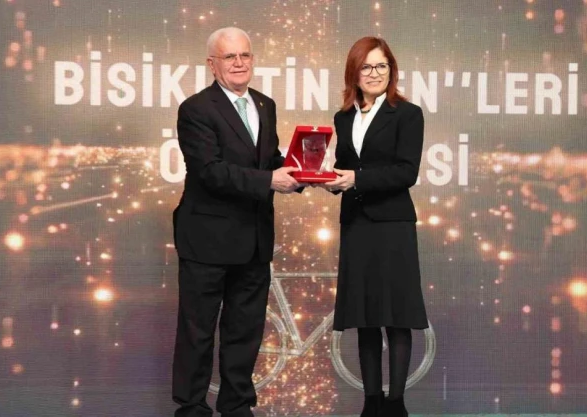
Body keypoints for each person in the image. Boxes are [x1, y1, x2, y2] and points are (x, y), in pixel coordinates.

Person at [171, 27, 300, 417]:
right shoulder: (196, 109)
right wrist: (270, 180)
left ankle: (237, 405)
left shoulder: (265, 104)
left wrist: (304, 173)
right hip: (206, 240)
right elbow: (210, 171)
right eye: (230, 57)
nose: (240, 63)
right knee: (198, 331)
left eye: (245, 55)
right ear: (212, 64)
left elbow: (268, 160)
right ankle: (192, 407)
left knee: (245, 331)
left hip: (254, 240)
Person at [322, 37, 428, 417]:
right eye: (366, 66)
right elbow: (345, 166)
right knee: (364, 317)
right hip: (356, 224)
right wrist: (329, 179)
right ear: (354, 73)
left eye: (381, 65)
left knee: (396, 317)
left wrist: (357, 179)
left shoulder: (408, 114)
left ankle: (396, 403)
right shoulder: (343, 117)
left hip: (393, 225)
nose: (374, 73)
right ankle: (371, 403)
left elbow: (406, 172)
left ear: (391, 70)